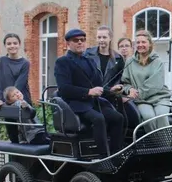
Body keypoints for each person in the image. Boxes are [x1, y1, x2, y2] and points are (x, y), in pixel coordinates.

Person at [53, 28, 124, 158]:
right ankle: (102, 157)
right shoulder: (63, 62)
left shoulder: (89, 61)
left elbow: (98, 86)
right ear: (68, 44)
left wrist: (110, 91)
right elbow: (64, 89)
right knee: (98, 118)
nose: (80, 42)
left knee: (117, 118)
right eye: (76, 40)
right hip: (75, 104)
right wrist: (88, 92)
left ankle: (115, 154)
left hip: (93, 102)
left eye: (83, 40)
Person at [118, 29, 172, 133]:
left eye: (143, 42)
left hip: (159, 97)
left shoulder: (158, 62)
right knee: (148, 117)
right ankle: (156, 145)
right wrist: (130, 90)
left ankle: (166, 147)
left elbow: (154, 85)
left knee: (161, 116)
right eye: (138, 42)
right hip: (142, 100)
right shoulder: (130, 62)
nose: (140, 45)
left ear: (150, 44)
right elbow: (125, 82)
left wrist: (135, 95)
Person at [0, 33, 31, 143]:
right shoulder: (2, 61)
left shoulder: (25, 63)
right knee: (13, 135)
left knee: (26, 135)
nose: (12, 46)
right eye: (9, 43)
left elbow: (18, 86)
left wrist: (6, 100)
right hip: (6, 102)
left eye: (15, 43)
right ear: (5, 46)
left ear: (19, 45)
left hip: (21, 100)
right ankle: (14, 160)